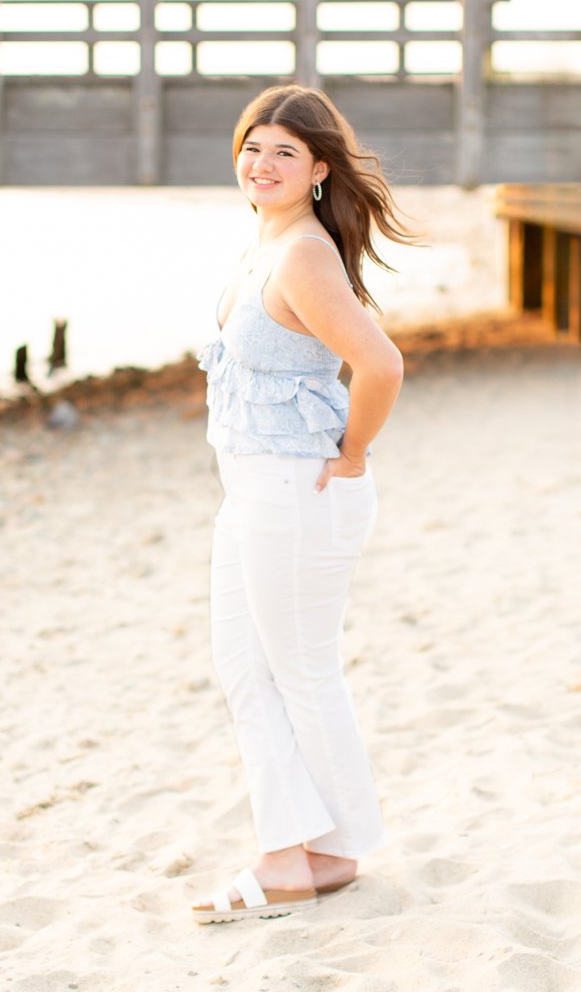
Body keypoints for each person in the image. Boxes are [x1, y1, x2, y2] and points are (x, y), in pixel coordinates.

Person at [192, 84, 414, 924]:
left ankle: (319, 852)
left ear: (319, 169)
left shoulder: (303, 256)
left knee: (300, 674)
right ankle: (301, 850)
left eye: (285, 152)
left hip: (296, 489)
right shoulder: (266, 242)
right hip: (250, 488)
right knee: (249, 671)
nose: (262, 163)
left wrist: (353, 454)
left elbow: (381, 365)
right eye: (253, 146)